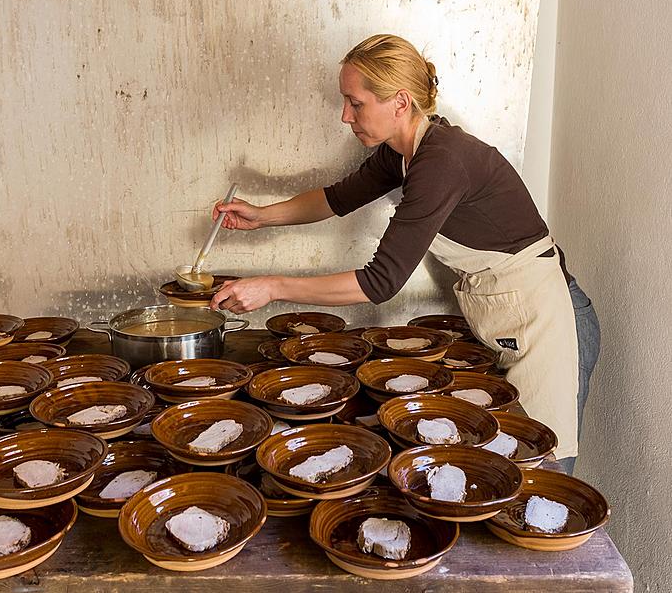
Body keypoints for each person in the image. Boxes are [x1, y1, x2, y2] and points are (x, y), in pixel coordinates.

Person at [208, 34, 599, 473]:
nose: (344, 116)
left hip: (551, 320)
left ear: (399, 101)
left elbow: (381, 281)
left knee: (540, 471)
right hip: (513, 316)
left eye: (355, 104)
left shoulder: (442, 160)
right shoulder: (404, 153)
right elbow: (337, 198)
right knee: (504, 467)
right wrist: (263, 216)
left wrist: (273, 287)